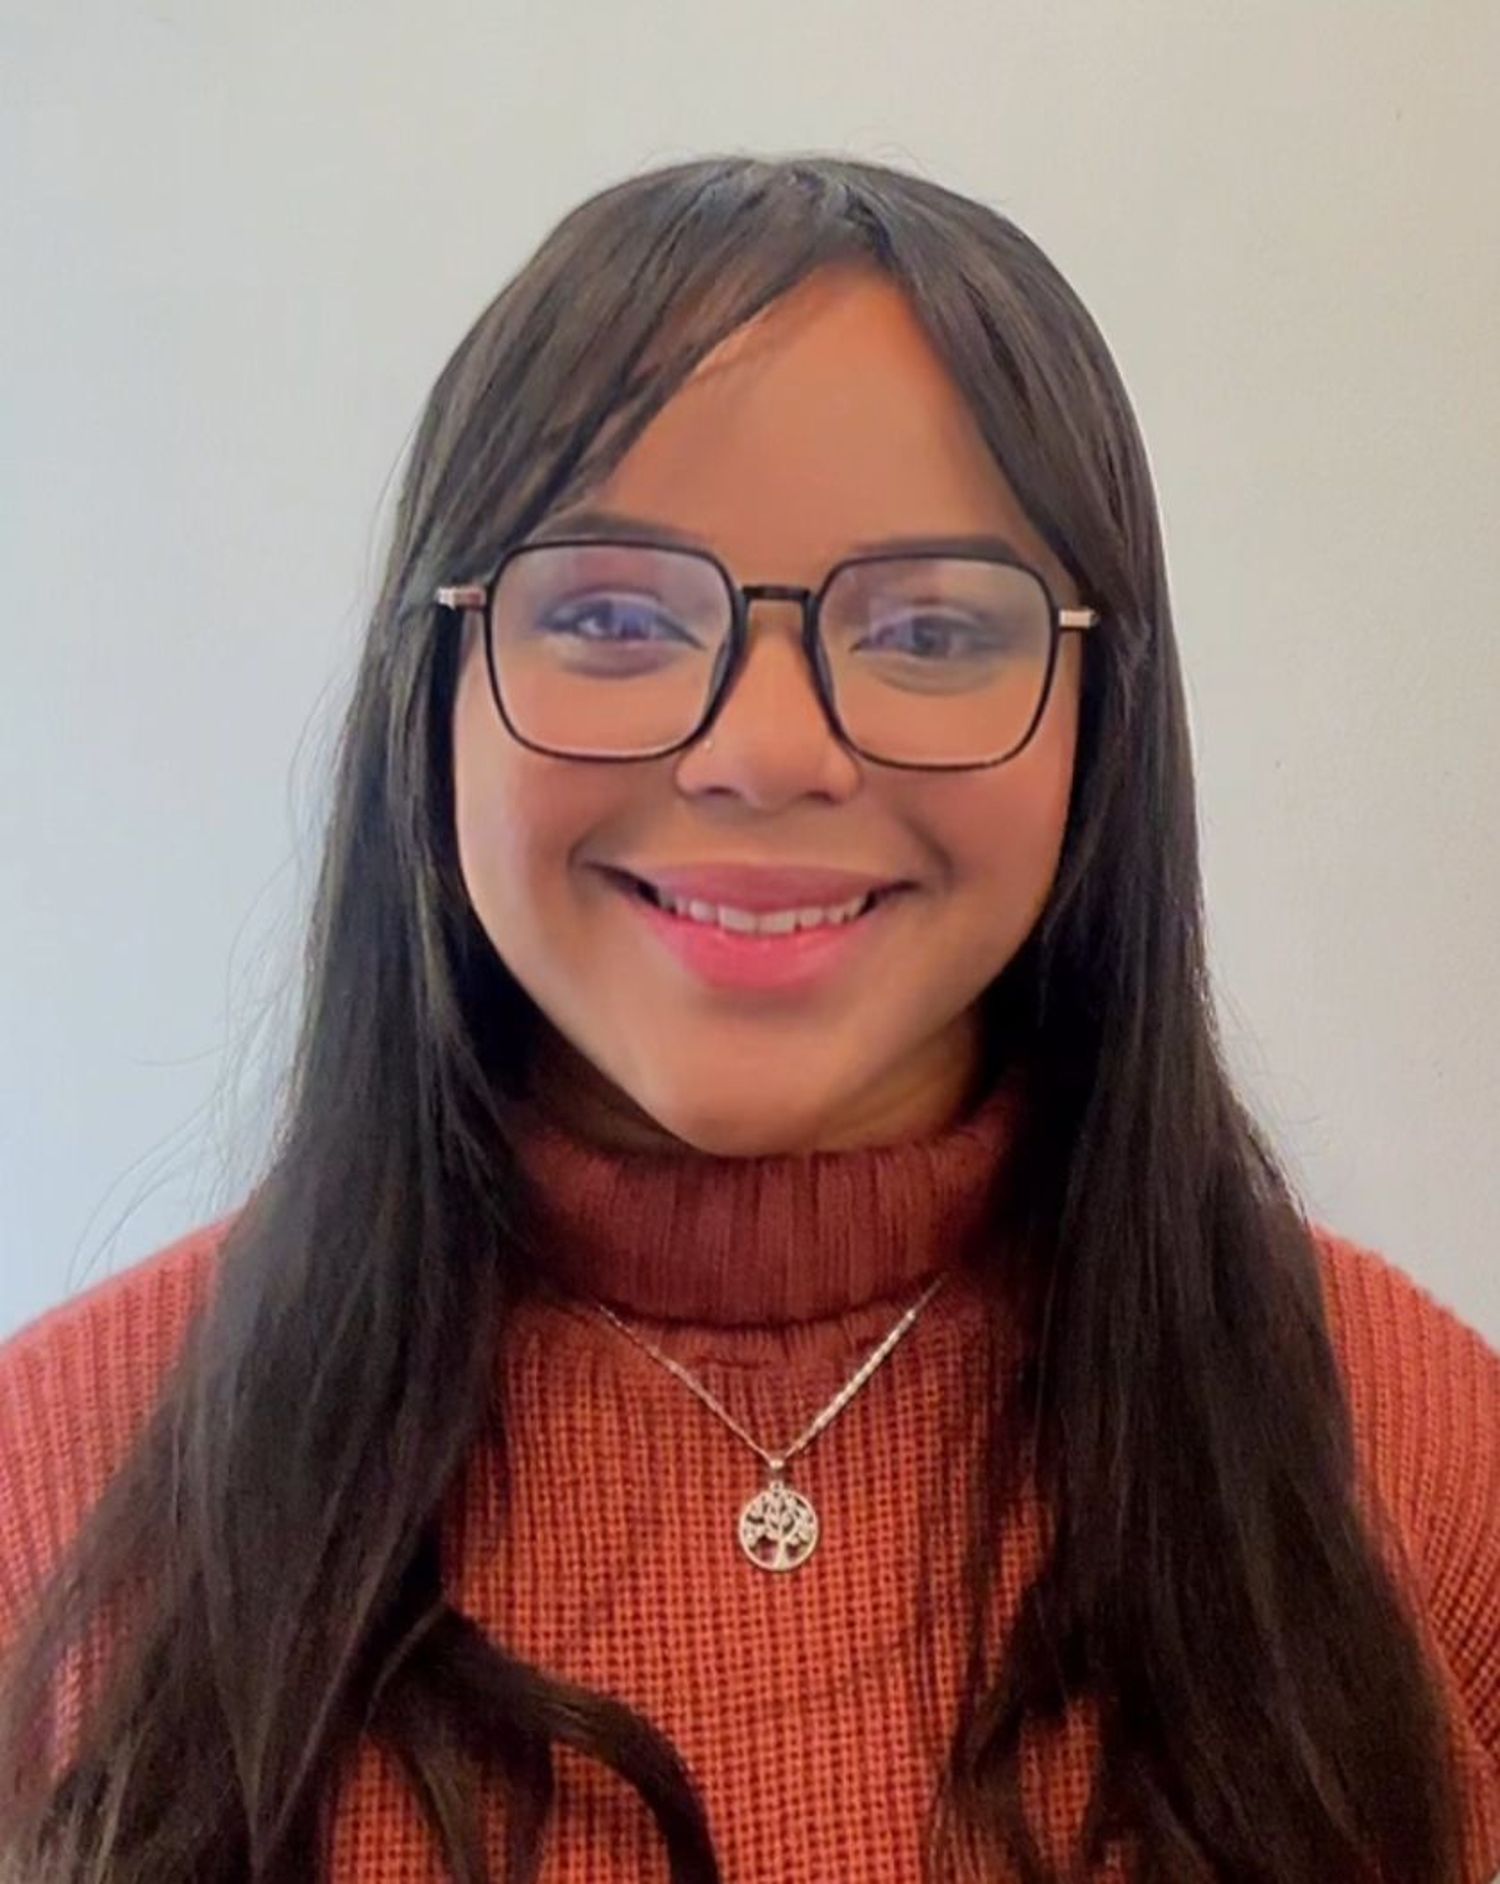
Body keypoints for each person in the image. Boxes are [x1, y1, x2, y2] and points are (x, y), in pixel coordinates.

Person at [0, 156, 1494, 1884]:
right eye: (613, 615)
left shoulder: (1417, 1457)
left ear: (1104, 715)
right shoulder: (57, 1484)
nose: (767, 750)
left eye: (930, 628)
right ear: (438, 684)